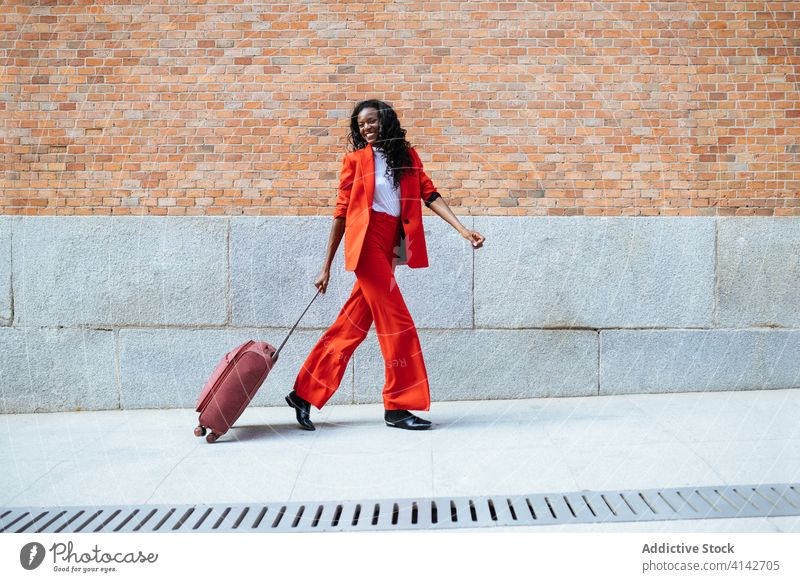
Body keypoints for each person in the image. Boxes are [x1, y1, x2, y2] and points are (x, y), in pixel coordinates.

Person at [285, 99, 486, 431]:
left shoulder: (407, 157)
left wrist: (463, 230)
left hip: (391, 244)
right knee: (398, 324)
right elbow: (341, 213)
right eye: (361, 124)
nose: (366, 128)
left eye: (372, 121)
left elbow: (429, 194)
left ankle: (303, 393)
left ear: (386, 121)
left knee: (350, 327)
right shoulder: (354, 161)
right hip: (366, 246)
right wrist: (327, 266)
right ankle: (398, 405)